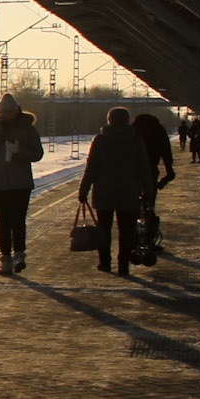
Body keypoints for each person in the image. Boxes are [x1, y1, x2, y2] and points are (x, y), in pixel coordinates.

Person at [79, 106, 152, 276]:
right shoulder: (135, 140)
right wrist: (148, 191)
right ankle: (123, 265)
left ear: (109, 120)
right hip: (129, 192)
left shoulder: (100, 140)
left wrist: (83, 190)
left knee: (103, 230)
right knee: (127, 231)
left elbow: (92, 168)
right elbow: (143, 168)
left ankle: (105, 263)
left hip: (104, 192)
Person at [0, 92, 43, 275]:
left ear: (16, 110)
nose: (6, 114)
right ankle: (6, 258)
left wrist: (19, 152)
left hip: (20, 183)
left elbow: (37, 154)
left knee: (18, 221)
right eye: (3, 111)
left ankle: (19, 254)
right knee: (3, 223)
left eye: (9, 111)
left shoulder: (27, 129)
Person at [132, 111, 175, 265]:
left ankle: (132, 240)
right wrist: (169, 171)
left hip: (132, 173)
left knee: (132, 208)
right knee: (149, 205)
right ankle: (149, 241)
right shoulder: (158, 130)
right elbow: (166, 151)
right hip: (150, 172)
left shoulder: (132, 131)